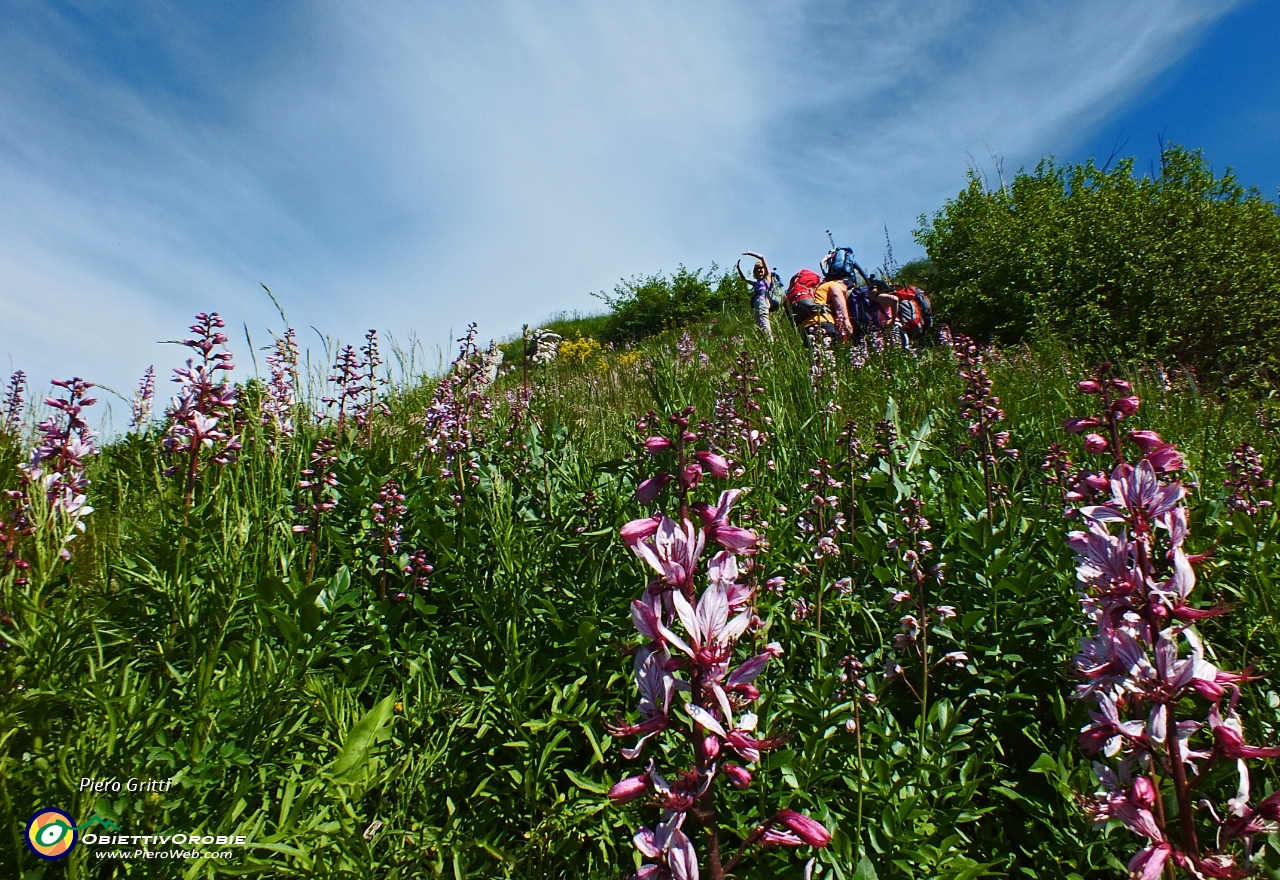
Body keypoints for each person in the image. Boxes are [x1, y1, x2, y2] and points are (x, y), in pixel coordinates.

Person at [786, 269, 853, 344]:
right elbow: (836, 296)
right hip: (823, 323)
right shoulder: (834, 284)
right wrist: (846, 321)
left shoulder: (817, 289)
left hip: (805, 328)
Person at [737, 252, 780, 341]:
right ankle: (765, 340)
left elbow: (762, 257)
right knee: (760, 322)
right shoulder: (756, 283)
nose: (759, 270)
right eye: (757, 269)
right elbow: (744, 279)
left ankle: (769, 342)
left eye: (761, 268)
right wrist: (738, 269)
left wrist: (749, 253)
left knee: (763, 321)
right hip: (758, 302)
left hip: (762, 299)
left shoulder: (767, 278)